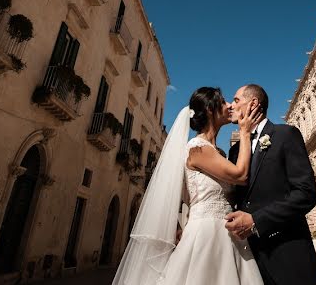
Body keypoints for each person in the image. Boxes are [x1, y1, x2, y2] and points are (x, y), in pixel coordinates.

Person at [111, 87, 264, 285]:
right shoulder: (197, 149)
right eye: (224, 101)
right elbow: (241, 175)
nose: (230, 106)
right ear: (210, 109)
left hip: (229, 235)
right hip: (205, 236)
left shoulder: (219, 153)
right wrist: (244, 132)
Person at [225, 84, 316, 285]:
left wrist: (256, 220)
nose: (230, 106)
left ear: (253, 104)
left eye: (236, 101)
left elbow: (306, 194)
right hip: (249, 260)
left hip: (288, 256)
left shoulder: (285, 135)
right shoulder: (234, 152)